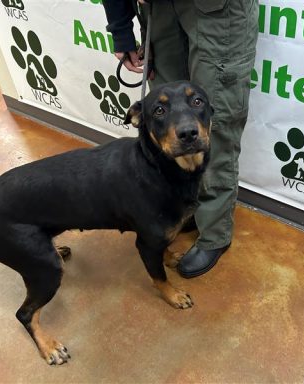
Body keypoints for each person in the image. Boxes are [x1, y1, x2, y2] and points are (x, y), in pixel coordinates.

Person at [102, 0, 258, 278]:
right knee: (171, 124)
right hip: (158, 9)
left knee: (213, 124)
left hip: (216, 9)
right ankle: (190, 208)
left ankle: (214, 232)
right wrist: (121, 28)